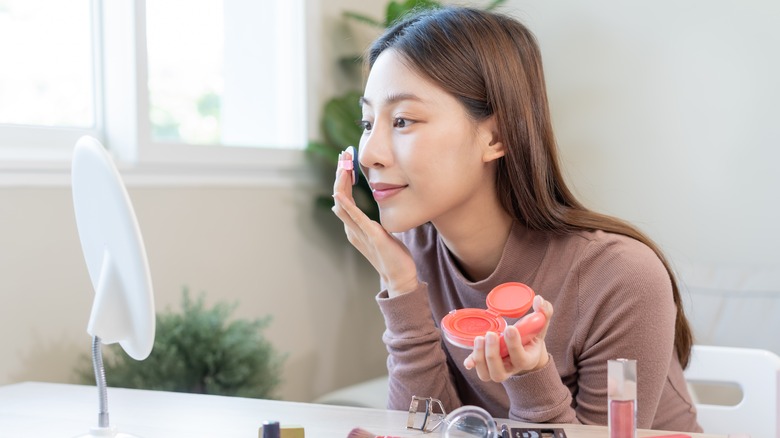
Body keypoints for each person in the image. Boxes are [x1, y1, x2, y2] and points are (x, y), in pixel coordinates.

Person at [331, 6, 701, 432]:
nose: (369, 154)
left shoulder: (621, 278)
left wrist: (530, 375)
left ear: (497, 136)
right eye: (366, 121)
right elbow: (427, 429)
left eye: (402, 120)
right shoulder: (412, 255)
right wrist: (401, 288)